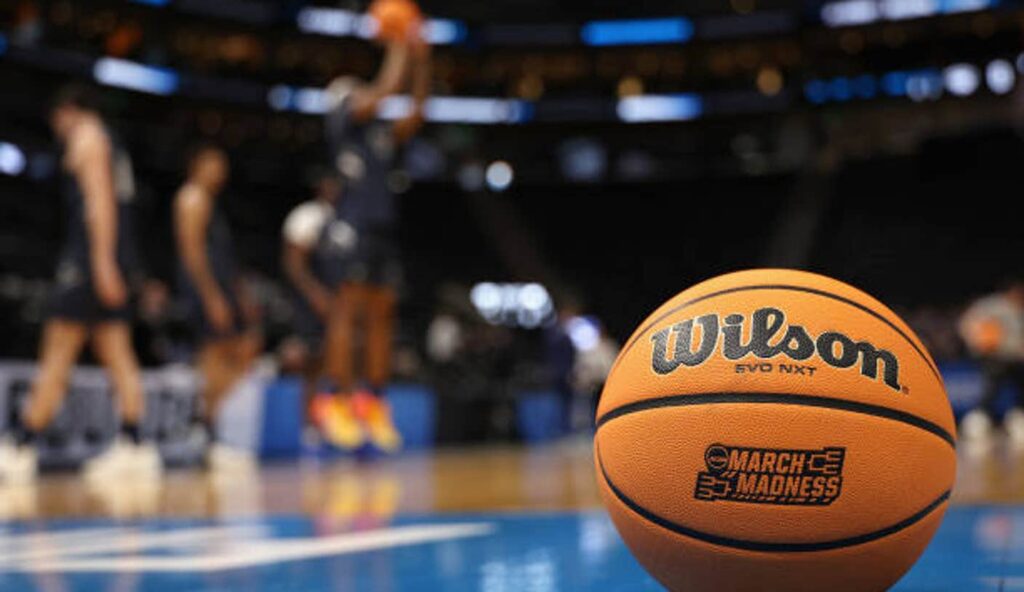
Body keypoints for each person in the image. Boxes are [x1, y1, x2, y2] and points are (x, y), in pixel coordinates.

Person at [0, 85, 160, 483]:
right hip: (109, 257)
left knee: (58, 347)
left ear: (68, 111)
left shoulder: (87, 137)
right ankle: (135, 444)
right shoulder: (111, 141)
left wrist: (102, 263)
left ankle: (20, 444)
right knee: (116, 348)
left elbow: (98, 202)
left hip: (89, 260)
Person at [315, 23, 432, 452]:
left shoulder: (378, 134)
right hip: (352, 224)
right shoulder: (344, 110)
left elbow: (416, 110)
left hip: (382, 227)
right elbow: (383, 89)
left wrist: (421, 59)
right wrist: (401, 41)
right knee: (347, 312)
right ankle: (337, 399)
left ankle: (373, 401)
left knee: (383, 313)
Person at [174, 145, 257, 470]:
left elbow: (224, 257)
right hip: (205, 289)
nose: (220, 170)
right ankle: (202, 430)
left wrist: (239, 295)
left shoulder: (211, 202)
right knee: (214, 355)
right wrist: (210, 296)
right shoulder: (192, 197)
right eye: (213, 163)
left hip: (221, 287)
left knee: (238, 352)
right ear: (196, 164)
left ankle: (205, 425)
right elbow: (191, 251)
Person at [281, 172, 363, 447]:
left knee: (345, 356)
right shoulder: (307, 216)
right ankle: (310, 428)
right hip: (314, 302)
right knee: (313, 362)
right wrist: (315, 295)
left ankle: (345, 419)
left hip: (342, 300)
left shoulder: (349, 219)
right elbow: (293, 263)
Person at [958, 280, 1024, 444]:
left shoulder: (1018, 309)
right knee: (991, 390)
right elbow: (968, 323)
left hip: (1014, 358)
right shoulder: (992, 304)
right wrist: (977, 342)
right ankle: (976, 421)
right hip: (995, 355)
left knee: (1017, 390)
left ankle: (1017, 419)